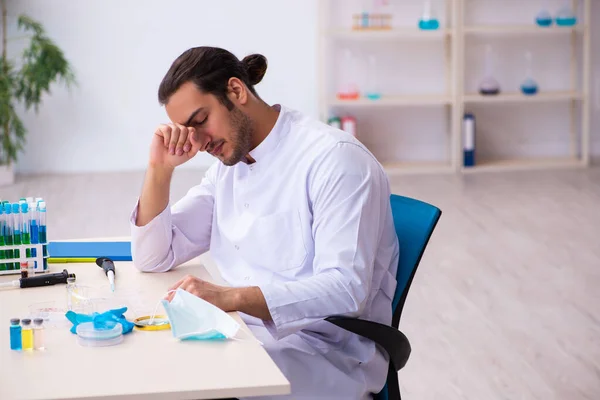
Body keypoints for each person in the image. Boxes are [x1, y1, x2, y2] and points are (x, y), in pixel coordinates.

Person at [130, 46, 400, 400]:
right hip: (247, 333)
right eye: (187, 130)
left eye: (200, 121)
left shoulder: (334, 160)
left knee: (184, 383)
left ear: (236, 91)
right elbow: (153, 256)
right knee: (151, 361)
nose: (197, 140)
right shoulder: (229, 168)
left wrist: (232, 297)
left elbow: (345, 288)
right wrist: (159, 170)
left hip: (328, 354)